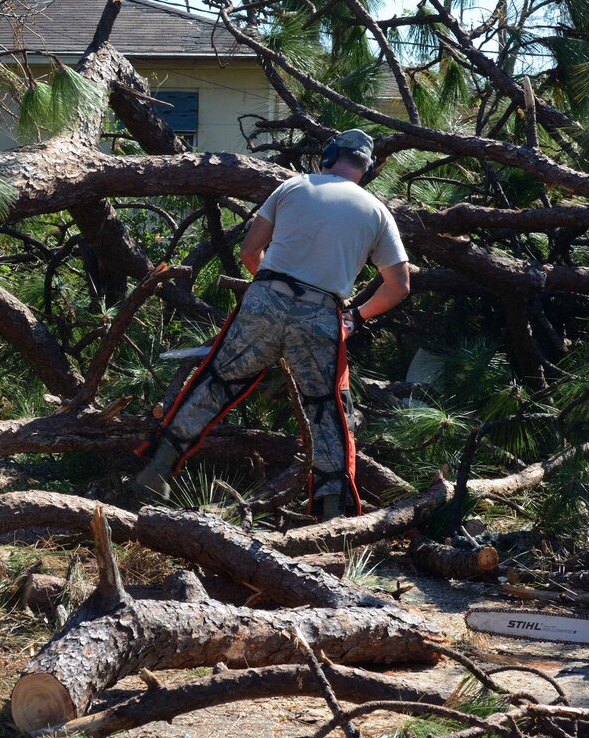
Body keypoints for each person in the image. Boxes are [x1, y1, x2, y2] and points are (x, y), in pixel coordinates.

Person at [133, 128, 410, 520]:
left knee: (216, 381)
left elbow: (250, 251)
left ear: (330, 156)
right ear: (365, 170)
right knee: (326, 410)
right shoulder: (377, 212)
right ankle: (331, 514)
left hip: (266, 295)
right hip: (321, 313)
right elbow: (399, 286)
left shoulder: (294, 186)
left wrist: (270, 293)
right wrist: (356, 317)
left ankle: (156, 470)